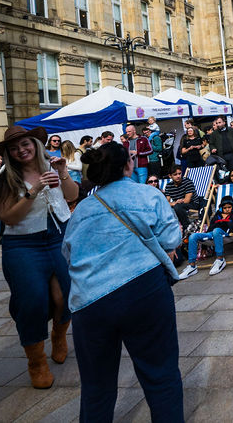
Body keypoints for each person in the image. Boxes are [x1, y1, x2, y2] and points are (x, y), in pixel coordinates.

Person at [62, 141, 183, 422]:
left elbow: (67, 253)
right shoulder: (148, 195)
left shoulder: (82, 209)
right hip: (143, 287)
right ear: (128, 165)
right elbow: (171, 239)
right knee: (161, 375)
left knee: (96, 387)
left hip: (90, 298)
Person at [0, 125, 79, 389]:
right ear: (8, 153)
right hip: (22, 244)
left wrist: (62, 173)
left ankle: (59, 334)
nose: (21, 151)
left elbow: (72, 196)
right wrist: (33, 190)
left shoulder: (51, 167)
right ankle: (36, 361)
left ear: (35, 144)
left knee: (65, 294)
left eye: (25, 144)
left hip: (58, 236)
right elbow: (9, 217)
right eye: (14, 148)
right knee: (32, 303)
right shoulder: (6, 178)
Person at [178, 194, 233, 279]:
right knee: (193, 236)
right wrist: (204, 247)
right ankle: (192, 266)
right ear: (221, 207)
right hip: (213, 234)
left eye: (229, 207)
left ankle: (220, 259)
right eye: (225, 207)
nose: (227, 209)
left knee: (216, 230)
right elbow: (210, 228)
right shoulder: (217, 216)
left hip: (227, 235)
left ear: (232, 207)